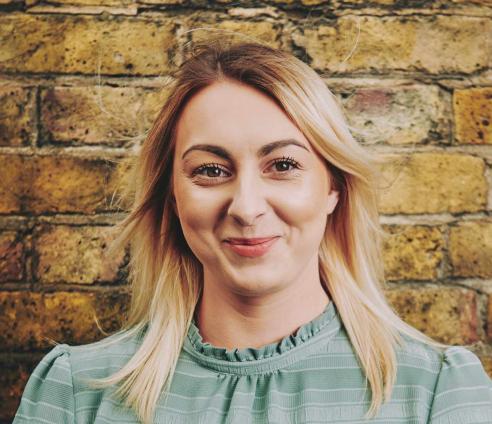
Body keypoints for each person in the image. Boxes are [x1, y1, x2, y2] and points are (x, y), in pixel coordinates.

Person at [13, 39, 492, 424]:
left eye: (282, 165)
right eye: (210, 170)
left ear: (334, 189)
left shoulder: (437, 392)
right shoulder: (76, 392)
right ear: (172, 196)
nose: (245, 206)